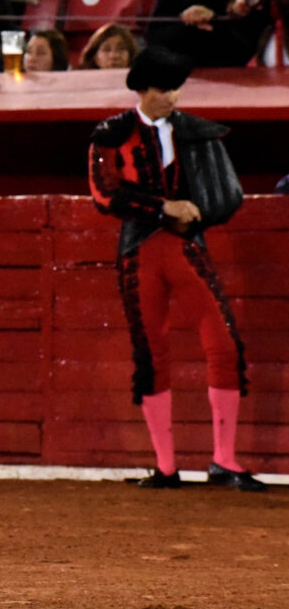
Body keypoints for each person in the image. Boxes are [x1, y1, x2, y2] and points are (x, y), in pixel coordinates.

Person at [88, 46, 265, 491]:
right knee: (152, 354)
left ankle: (224, 460)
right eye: (166, 89)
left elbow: (220, 192)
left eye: (177, 88)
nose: (175, 97)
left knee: (224, 344)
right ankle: (166, 468)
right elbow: (105, 194)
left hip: (186, 245)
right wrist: (163, 205)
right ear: (143, 89)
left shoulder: (192, 132)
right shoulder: (111, 134)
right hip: (140, 250)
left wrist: (200, 210)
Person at [146, 0, 266, 68]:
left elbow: (243, 53)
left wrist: (213, 20)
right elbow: (154, 40)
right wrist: (187, 23)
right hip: (180, 77)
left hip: (229, 80)